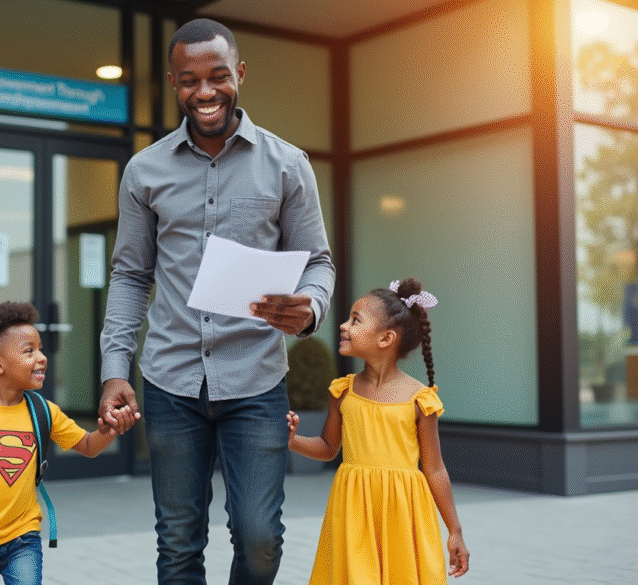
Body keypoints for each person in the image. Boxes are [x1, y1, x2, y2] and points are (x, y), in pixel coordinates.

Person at [98, 17, 335, 585]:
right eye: (188, 80)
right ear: (174, 84)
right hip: (170, 382)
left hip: (255, 381)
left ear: (240, 75)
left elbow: (318, 264)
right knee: (178, 542)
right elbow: (131, 274)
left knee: (260, 540)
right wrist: (113, 368)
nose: (204, 92)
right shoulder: (144, 170)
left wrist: (309, 307)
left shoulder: (287, 165)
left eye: (217, 76)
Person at [0, 301, 124, 585]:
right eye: (29, 351)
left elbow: (89, 446)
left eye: (40, 348)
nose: (42, 357)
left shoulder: (43, 411)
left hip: (23, 540)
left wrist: (111, 427)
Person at [287, 278, 469, 583]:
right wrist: (292, 441)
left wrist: (455, 531)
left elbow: (435, 469)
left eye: (355, 320)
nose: (343, 326)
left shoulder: (420, 399)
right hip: (354, 511)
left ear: (385, 339)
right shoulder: (342, 392)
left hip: (404, 513)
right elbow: (328, 447)